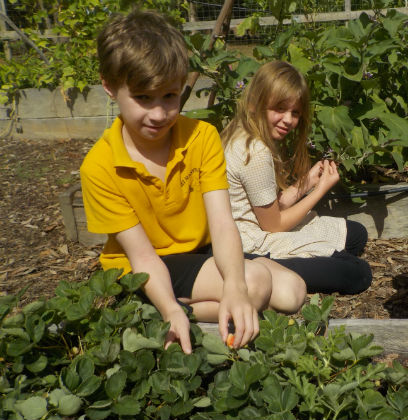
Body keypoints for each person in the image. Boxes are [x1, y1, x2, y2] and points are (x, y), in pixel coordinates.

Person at [80, 10, 306, 354]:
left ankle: (198, 304)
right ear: (110, 87)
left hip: (196, 253)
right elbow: (142, 258)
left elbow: (221, 221)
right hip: (141, 268)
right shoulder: (100, 166)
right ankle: (160, 310)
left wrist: (233, 283)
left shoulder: (201, 137)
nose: (158, 114)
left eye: (169, 96)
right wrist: (173, 308)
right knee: (256, 283)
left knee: (292, 291)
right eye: (143, 98)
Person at [221, 60, 372, 295]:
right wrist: (321, 190)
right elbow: (273, 225)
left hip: (248, 233)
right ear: (257, 103)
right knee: (358, 273)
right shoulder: (256, 151)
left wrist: (306, 183)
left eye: (295, 113)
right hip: (249, 247)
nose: (288, 120)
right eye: (279, 109)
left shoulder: (239, 131)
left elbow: (267, 207)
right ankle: (275, 268)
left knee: (356, 234)